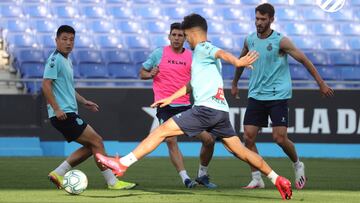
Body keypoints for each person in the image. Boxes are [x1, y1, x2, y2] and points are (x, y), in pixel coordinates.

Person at [96, 14, 293, 200]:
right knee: (241, 151)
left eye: (186, 36)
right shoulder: (202, 57)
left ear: (192, 33)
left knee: (162, 131)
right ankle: (277, 178)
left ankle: (122, 164)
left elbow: (222, 53)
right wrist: (169, 98)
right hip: (220, 112)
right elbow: (191, 85)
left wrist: (238, 61)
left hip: (205, 110)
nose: (185, 40)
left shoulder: (202, 48)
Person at [231, 3, 334, 190]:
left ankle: (297, 164)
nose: (259, 23)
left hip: (278, 94)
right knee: (248, 137)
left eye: (263, 19)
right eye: (257, 19)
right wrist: (235, 83)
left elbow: (304, 60)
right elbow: (241, 61)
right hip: (256, 94)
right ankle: (257, 178)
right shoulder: (250, 39)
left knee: (279, 138)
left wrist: (321, 83)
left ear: (271, 19)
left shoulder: (281, 41)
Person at [42, 25, 136, 190]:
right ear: (56, 40)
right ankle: (112, 182)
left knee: (91, 146)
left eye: (71, 39)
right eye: (64, 39)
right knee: (97, 141)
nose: (68, 43)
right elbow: (46, 85)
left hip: (67, 112)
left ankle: (58, 173)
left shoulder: (66, 60)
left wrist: (84, 101)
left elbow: (68, 88)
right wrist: (56, 109)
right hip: (63, 114)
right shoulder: (54, 59)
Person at [140, 22, 216, 188]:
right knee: (171, 140)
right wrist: (149, 74)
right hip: (165, 106)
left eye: (180, 35)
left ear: (185, 38)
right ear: (169, 36)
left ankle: (202, 175)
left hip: (186, 106)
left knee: (209, 139)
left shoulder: (191, 56)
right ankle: (186, 179)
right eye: (174, 35)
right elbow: (142, 73)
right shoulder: (159, 53)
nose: (176, 38)